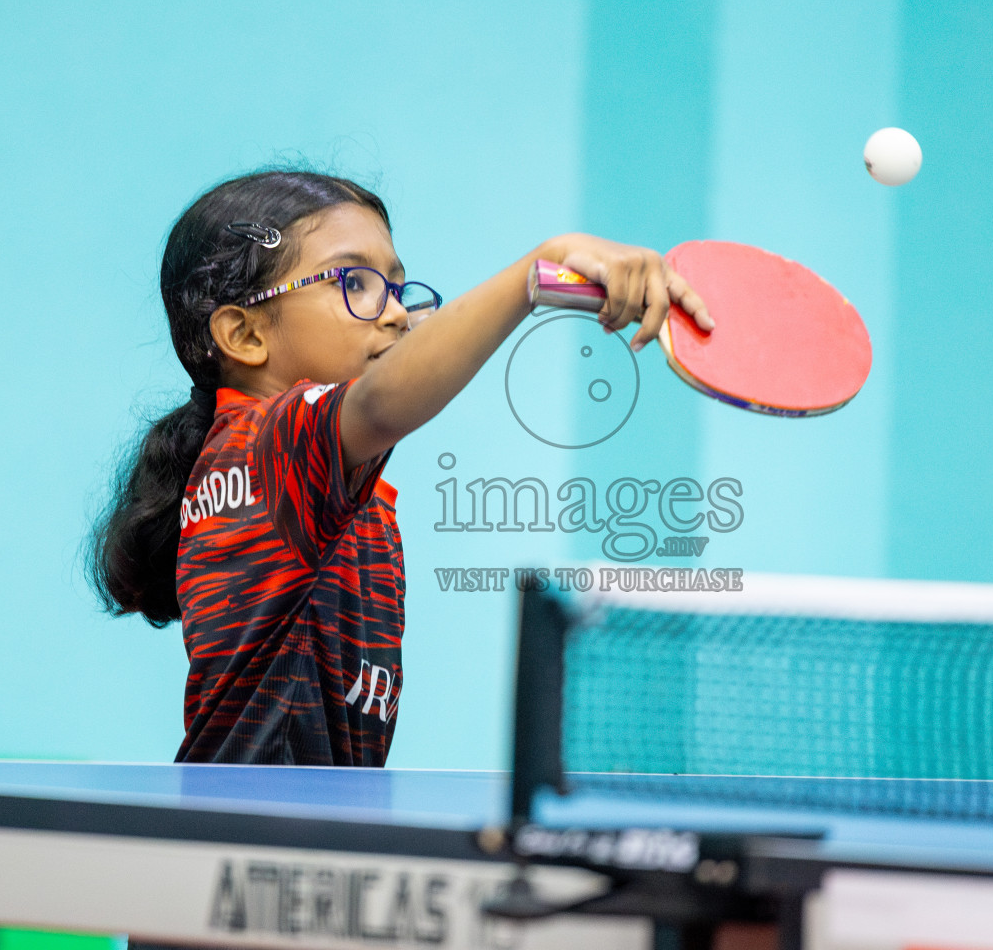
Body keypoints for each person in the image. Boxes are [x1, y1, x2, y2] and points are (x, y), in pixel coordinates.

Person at [89, 169, 712, 766]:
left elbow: (414, 355)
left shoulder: (281, 466)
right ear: (245, 335)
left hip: (298, 822)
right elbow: (385, 400)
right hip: (257, 823)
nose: (391, 311)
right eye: (352, 284)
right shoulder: (272, 446)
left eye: (394, 286)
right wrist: (534, 273)